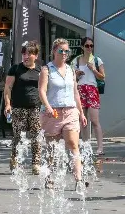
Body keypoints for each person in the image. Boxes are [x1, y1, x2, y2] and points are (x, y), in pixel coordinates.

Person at [38, 38, 89, 190]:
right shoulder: (46, 70)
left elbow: (75, 93)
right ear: (54, 51)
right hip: (53, 112)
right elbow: (41, 90)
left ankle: (78, 179)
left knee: (73, 144)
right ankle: (49, 177)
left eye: (67, 51)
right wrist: (47, 107)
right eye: (61, 51)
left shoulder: (70, 70)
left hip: (70, 111)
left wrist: (81, 112)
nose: (65, 54)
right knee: (52, 148)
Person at [3, 41, 42, 174]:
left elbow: (44, 89)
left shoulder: (40, 70)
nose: (26, 56)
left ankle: (36, 163)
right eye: (24, 54)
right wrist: (8, 104)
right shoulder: (15, 69)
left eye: (29, 54)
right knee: (18, 135)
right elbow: (8, 88)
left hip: (35, 107)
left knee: (36, 136)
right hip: (18, 107)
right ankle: (15, 159)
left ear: (35, 56)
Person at [71, 37, 105, 155]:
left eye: (91, 46)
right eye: (87, 46)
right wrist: (77, 74)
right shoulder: (76, 60)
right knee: (83, 120)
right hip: (80, 89)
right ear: (82, 47)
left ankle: (100, 147)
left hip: (92, 89)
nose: (89, 48)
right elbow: (71, 77)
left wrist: (93, 70)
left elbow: (102, 76)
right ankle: (85, 146)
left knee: (95, 120)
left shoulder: (96, 60)